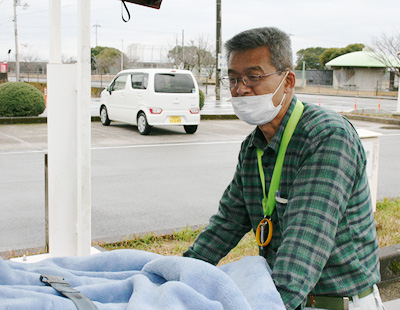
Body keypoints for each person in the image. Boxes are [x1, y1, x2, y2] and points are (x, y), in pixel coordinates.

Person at [183, 27, 384, 310]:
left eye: (253, 76)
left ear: (288, 81)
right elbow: (226, 224)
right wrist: (178, 276)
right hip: (288, 301)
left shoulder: (326, 137)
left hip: (335, 303)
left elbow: (303, 249)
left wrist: (272, 305)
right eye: (233, 79)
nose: (241, 88)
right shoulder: (253, 147)